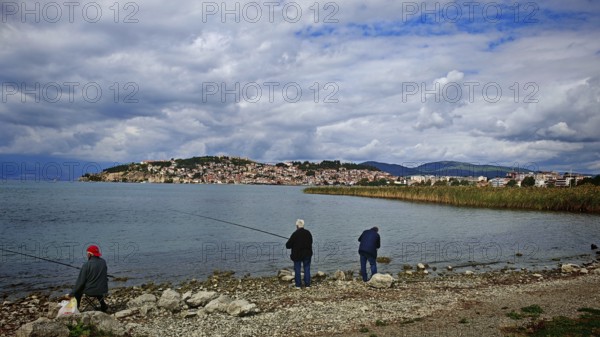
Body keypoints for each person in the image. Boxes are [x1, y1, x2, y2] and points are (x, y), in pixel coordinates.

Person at [68, 245, 109, 312]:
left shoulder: (86, 265)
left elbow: (80, 282)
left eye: (87, 254)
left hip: (92, 291)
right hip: (103, 290)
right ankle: (103, 305)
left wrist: (72, 293)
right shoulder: (103, 262)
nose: (87, 255)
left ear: (90, 254)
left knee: (78, 291)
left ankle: (77, 308)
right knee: (98, 284)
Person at [286, 219, 313, 288]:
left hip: (297, 255)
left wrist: (292, 242)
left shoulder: (295, 234)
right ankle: (307, 285)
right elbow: (311, 242)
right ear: (303, 225)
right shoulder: (308, 233)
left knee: (297, 269)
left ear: (297, 226)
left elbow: (288, 245)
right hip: (307, 254)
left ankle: (298, 285)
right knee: (307, 268)